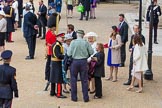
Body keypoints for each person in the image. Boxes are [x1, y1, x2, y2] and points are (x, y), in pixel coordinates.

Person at [67, 30, 94, 102]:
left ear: (77, 35)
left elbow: (69, 53)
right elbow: (91, 52)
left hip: (74, 61)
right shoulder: (86, 42)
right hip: (83, 61)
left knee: (73, 79)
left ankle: (74, 97)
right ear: (83, 35)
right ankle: (85, 97)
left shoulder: (73, 42)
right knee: (84, 80)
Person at [50, 33, 67, 98]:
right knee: (58, 78)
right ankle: (59, 93)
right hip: (56, 62)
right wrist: (65, 57)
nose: (63, 39)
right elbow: (58, 55)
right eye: (61, 38)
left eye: (63, 38)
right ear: (57, 38)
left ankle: (52, 92)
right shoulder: (57, 45)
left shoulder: (57, 44)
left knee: (53, 77)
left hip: (54, 62)